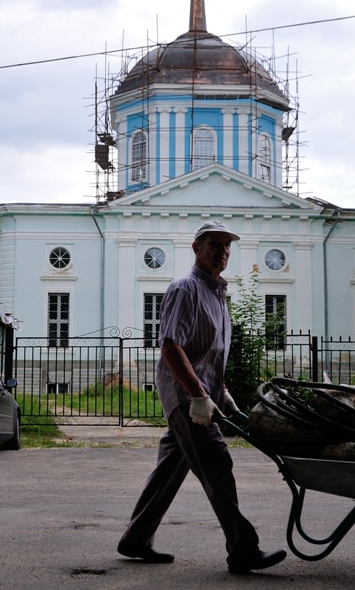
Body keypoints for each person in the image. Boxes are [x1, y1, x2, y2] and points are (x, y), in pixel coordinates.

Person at [117, 220, 287, 574]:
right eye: (215, 244)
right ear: (196, 248)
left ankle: (136, 538)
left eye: (227, 245)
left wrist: (223, 396)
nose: (223, 251)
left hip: (202, 397)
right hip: (186, 398)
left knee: (170, 468)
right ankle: (243, 549)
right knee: (217, 464)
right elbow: (170, 344)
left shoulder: (217, 296)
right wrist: (197, 395)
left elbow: (208, 358)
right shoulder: (186, 289)